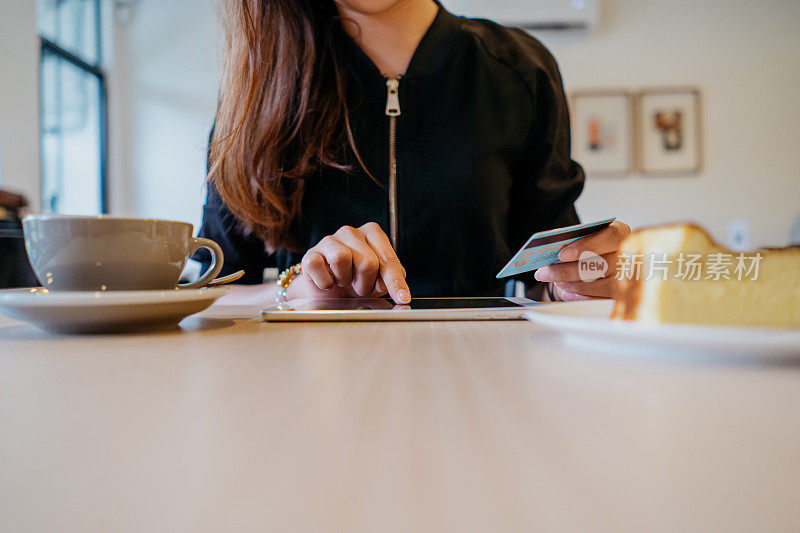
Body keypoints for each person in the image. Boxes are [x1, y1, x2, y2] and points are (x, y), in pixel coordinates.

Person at [196, 0, 631, 305]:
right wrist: (295, 291)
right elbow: (212, 289)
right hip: (311, 381)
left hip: (476, 373)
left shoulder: (519, 71)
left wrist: (578, 281)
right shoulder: (258, 91)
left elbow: (543, 274)